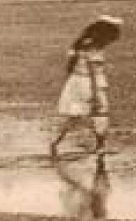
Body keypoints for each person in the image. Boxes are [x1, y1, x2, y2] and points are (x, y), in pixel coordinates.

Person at [51, 16, 121, 159]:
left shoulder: (80, 45)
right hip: (89, 84)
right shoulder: (93, 48)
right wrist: (95, 94)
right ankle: (100, 147)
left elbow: (70, 67)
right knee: (101, 113)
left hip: (75, 83)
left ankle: (55, 142)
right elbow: (93, 73)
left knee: (73, 116)